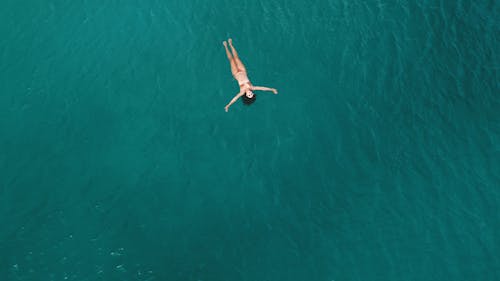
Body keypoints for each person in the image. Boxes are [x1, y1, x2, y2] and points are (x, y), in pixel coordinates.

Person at [223, 38, 278, 112]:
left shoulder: (242, 91)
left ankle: (226, 46)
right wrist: (272, 89)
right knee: (236, 58)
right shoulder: (252, 87)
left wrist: (228, 105)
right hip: (243, 71)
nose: (250, 93)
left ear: (246, 95)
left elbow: (235, 98)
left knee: (231, 60)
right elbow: (262, 88)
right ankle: (231, 44)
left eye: (249, 95)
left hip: (235, 73)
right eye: (251, 94)